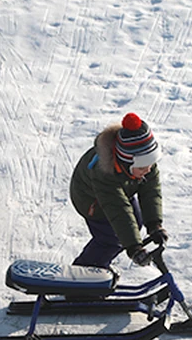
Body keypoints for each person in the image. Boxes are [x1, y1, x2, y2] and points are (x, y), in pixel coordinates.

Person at [70, 113, 168, 269]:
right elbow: (118, 210)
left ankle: (99, 265)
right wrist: (134, 248)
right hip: (92, 199)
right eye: (143, 167)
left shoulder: (144, 162)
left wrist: (154, 224)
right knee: (112, 238)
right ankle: (85, 271)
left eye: (151, 163)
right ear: (127, 162)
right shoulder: (104, 171)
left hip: (122, 190)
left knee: (136, 223)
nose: (148, 169)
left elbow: (151, 192)